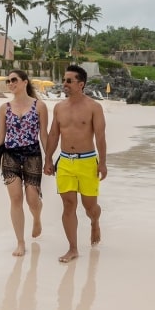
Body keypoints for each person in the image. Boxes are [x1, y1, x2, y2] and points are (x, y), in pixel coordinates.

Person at [43, 65, 107, 263]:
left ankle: (95, 221)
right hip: (65, 162)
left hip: (87, 162)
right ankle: (73, 248)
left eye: (69, 81)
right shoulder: (59, 107)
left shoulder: (94, 107)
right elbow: (54, 134)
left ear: (81, 84)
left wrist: (102, 163)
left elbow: (100, 137)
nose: (65, 84)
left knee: (90, 207)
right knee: (68, 205)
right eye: (64, 80)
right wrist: (47, 159)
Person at [0, 69, 49, 256]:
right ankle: (20, 242)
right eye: (8, 81)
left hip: (32, 154)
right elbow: (0, 136)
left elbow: (44, 135)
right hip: (10, 156)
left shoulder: (39, 106)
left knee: (32, 200)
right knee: (15, 199)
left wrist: (49, 159)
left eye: (14, 80)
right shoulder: (4, 108)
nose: (10, 84)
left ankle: (37, 218)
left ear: (24, 82)